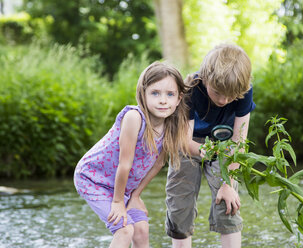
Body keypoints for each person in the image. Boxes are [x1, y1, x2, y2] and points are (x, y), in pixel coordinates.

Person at [74, 61, 190, 248]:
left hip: (123, 187)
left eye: (170, 94)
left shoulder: (171, 126)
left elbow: (158, 165)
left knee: (142, 229)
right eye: (155, 93)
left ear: (178, 99)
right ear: (143, 94)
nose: (163, 100)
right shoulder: (134, 118)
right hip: (93, 178)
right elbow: (124, 164)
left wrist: (135, 196)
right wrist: (118, 201)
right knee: (125, 229)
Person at [165, 43, 256, 248]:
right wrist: (204, 151)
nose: (224, 100)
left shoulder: (243, 90)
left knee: (228, 202)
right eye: (217, 93)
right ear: (205, 79)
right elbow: (184, 142)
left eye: (231, 96)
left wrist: (227, 182)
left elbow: (239, 143)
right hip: (189, 143)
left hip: (225, 145)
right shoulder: (190, 89)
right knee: (180, 204)